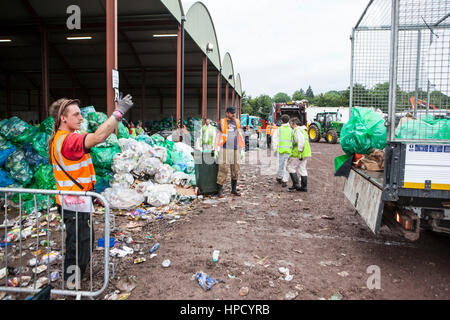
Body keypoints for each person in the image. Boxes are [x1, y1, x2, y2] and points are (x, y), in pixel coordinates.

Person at [48, 94, 134, 282]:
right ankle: (71, 285)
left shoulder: (65, 138)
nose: (81, 118)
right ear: (63, 118)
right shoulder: (67, 141)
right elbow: (99, 136)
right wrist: (118, 113)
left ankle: (77, 279)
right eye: (76, 114)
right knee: (77, 246)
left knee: (83, 243)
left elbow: (100, 136)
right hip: (73, 204)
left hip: (76, 202)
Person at [215, 106, 245, 197]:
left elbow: (240, 134)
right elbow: (217, 135)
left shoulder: (237, 122)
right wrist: (216, 148)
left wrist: (242, 148)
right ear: (227, 113)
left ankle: (233, 190)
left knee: (235, 169)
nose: (233, 114)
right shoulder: (222, 122)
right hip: (224, 148)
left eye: (234, 113)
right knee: (223, 169)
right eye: (231, 113)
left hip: (235, 148)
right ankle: (219, 191)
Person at [286, 117, 311, 192]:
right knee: (302, 168)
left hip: (298, 153)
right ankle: (304, 187)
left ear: (295, 124)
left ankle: (295, 185)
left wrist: (300, 151)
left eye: (291, 124)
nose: (290, 126)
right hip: (306, 152)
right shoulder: (303, 130)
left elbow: (301, 141)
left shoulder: (297, 130)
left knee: (290, 167)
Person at [275, 115, 293, 188]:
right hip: (289, 150)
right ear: (289, 121)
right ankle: (285, 180)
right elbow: (293, 140)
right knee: (287, 165)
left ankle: (279, 177)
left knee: (280, 164)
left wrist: (275, 148)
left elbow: (275, 139)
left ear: (281, 121)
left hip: (281, 150)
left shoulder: (279, 129)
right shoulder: (291, 130)